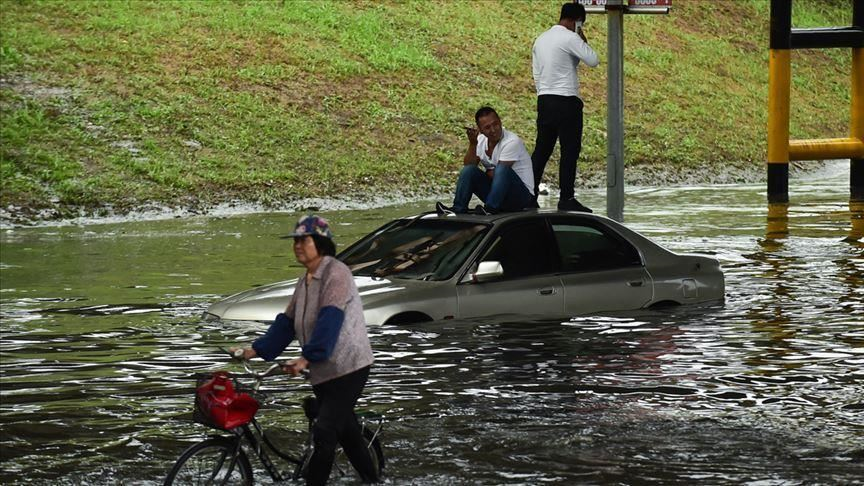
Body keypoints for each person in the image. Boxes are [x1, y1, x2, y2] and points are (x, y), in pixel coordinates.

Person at [231, 215, 378, 486]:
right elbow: (287, 323)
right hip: (322, 369)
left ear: (320, 243)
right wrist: (254, 350)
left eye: (304, 240)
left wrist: (306, 358)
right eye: (295, 241)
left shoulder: (337, 274)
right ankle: (373, 480)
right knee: (346, 431)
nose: (298, 245)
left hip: (349, 366)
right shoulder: (306, 280)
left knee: (324, 432)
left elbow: (329, 321)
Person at [531, 2, 599, 212]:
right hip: (567, 100)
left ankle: (528, 194)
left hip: (545, 99)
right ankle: (566, 197)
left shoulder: (541, 39)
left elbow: (536, 73)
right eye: (580, 24)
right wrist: (581, 37)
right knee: (569, 150)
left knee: (542, 149)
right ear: (576, 21)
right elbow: (593, 59)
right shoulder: (570, 37)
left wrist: (543, 92)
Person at [436, 106, 535, 215]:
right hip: (498, 195)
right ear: (480, 130)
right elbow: (469, 166)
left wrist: (490, 173)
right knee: (469, 171)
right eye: (487, 127)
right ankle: (458, 208)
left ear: (500, 121)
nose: (493, 130)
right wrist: (473, 144)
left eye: (496, 124)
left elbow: (499, 174)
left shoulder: (512, 141)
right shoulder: (481, 140)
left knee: (502, 170)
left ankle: (490, 209)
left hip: (520, 197)